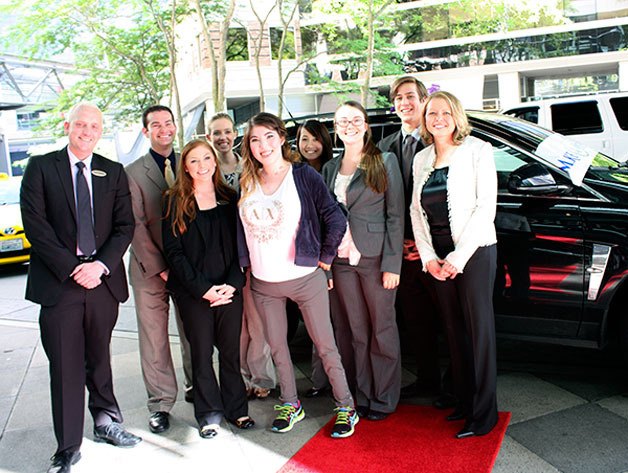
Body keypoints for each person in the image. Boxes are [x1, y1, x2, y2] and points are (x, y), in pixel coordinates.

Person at [20, 102, 140, 473]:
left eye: (94, 126)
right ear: (68, 125)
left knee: (100, 358)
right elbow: (35, 226)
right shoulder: (41, 167)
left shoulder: (113, 172)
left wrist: (100, 266)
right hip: (60, 285)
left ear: (100, 130)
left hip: (102, 283)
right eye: (81, 124)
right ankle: (67, 447)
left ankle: (106, 422)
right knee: (66, 366)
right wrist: (74, 269)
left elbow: (125, 225)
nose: (87, 131)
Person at [237, 112, 358, 438]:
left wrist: (324, 259)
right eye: (254, 139)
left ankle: (346, 406)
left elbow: (335, 217)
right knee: (278, 348)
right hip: (263, 282)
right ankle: (290, 404)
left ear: (281, 138)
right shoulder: (246, 180)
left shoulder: (302, 175)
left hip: (305, 277)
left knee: (325, 345)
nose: (262, 145)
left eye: (268, 137)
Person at [409, 91, 499, 438]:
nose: (439, 118)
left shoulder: (478, 151)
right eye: (432, 113)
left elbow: (485, 209)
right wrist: (429, 258)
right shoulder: (421, 159)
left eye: (446, 112)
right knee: (454, 334)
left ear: (456, 116)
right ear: (425, 119)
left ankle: (483, 415)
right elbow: (417, 213)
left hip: (474, 253)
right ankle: (462, 402)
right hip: (438, 260)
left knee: (479, 335)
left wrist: (457, 259)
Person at [162, 139, 254, 439]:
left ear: (215, 161)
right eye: (194, 161)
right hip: (194, 293)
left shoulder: (229, 197)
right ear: (185, 167)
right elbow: (174, 253)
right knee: (201, 354)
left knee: (230, 353)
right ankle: (209, 415)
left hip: (229, 288)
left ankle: (237, 409)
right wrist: (204, 290)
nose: (202, 166)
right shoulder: (174, 201)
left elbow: (241, 246)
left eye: (206, 159)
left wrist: (230, 285)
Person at [321, 100, 404, 421]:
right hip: (341, 261)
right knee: (353, 330)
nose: (350, 125)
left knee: (382, 329)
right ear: (336, 127)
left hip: (375, 257)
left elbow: (395, 215)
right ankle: (362, 394)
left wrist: (392, 265)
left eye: (356, 120)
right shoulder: (330, 168)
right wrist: (325, 261)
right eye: (343, 121)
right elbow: (325, 217)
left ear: (366, 125)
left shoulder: (384, 161)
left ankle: (383, 398)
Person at [378, 76, 454, 406]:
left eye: (410, 96)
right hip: (403, 252)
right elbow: (382, 203)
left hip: (440, 248)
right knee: (416, 320)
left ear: (424, 100)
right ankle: (426, 380)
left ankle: (455, 384)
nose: (404, 102)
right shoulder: (384, 147)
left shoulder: (440, 138)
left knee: (449, 319)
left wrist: (424, 244)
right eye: (398, 98)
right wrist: (402, 243)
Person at [125, 105, 194, 435]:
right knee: (154, 338)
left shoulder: (192, 162)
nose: (164, 129)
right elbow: (134, 225)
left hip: (190, 267)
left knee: (193, 330)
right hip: (148, 268)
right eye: (156, 125)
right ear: (146, 131)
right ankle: (161, 403)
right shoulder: (132, 172)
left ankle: (199, 388)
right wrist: (161, 267)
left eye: (168, 123)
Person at [207, 112, 276, 400]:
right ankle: (241, 378)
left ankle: (262, 377)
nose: (222, 137)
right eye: (216, 133)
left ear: (235, 134)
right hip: (221, 257)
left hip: (252, 252)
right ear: (208, 137)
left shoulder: (249, 165)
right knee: (234, 326)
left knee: (257, 321)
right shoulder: (205, 168)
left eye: (226, 132)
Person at [296, 119, 354, 399]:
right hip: (308, 260)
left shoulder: (332, 171)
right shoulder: (293, 172)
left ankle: (342, 378)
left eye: (314, 139)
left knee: (338, 321)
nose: (309, 145)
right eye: (303, 139)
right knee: (318, 324)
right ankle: (321, 381)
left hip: (336, 255)